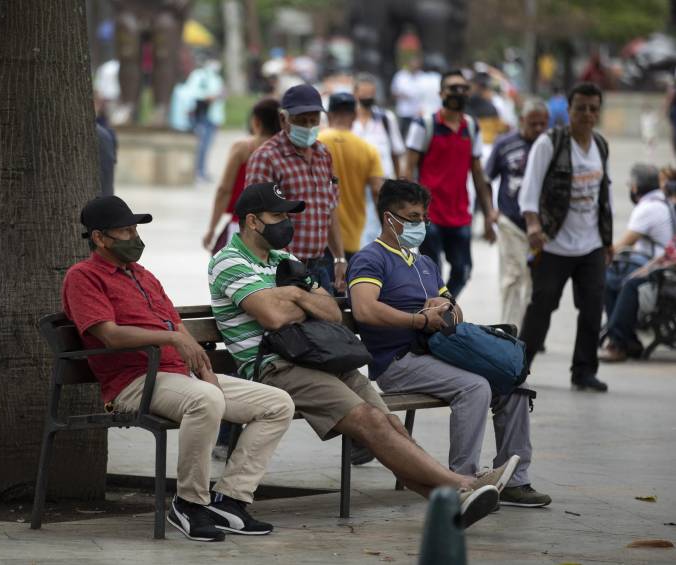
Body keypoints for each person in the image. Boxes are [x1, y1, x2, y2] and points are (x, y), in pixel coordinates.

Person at [208, 181, 521, 529]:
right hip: (275, 367)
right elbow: (273, 317)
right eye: (277, 215)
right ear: (252, 221)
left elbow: (328, 310)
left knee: (387, 423)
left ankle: (447, 500)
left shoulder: (285, 258)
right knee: (371, 423)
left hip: (318, 357)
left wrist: (290, 297)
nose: (286, 223)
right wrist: (297, 298)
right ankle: (461, 484)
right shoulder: (228, 261)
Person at [63, 196, 295, 542]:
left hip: (181, 378)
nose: (135, 237)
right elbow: (109, 335)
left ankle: (229, 500)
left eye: (135, 229)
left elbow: (178, 328)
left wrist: (207, 373)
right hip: (134, 382)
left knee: (277, 404)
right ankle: (189, 503)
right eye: (125, 231)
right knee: (206, 401)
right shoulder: (82, 277)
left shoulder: (144, 275)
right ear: (99, 238)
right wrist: (170, 340)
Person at [347, 179, 550, 507]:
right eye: (412, 218)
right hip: (399, 361)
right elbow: (364, 309)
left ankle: (515, 481)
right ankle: (464, 482)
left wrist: (445, 309)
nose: (420, 224)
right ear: (389, 219)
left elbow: (454, 308)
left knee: (513, 378)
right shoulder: (371, 259)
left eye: (423, 218)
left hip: (439, 351)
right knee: (475, 387)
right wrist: (417, 319)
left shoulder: (424, 263)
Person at [518, 82, 612, 392]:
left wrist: (608, 240)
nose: (587, 114)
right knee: (542, 304)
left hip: (591, 244)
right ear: (568, 111)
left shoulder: (599, 145)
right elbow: (529, 188)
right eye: (581, 108)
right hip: (554, 241)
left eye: (593, 108)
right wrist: (533, 225)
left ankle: (583, 371)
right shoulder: (550, 143)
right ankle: (518, 366)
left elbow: (603, 196)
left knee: (592, 306)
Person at [404, 69, 497, 297]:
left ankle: (444, 308)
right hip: (429, 215)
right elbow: (408, 171)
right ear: (441, 93)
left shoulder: (472, 128)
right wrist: (407, 213)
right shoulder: (424, 125)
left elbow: (477, 173)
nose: (459, 93)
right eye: (453, 88)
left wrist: (487, 214)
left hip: (460, 215)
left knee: (463, 271)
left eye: (464, 88)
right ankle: (437, 316)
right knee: (431, 275)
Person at [245, 83, 345, 294]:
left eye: (313, 120)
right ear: (284, 119)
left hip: (320, 266)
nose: (308, 127)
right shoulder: (267, 157)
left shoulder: (323, 154)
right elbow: (253, 219)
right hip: (283, 270)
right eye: (301, 121)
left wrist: (339, 257)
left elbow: (331, 209)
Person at [486, 99, 550, 327]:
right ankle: (509, 328)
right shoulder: (504, 144)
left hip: (543, 227)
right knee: (513, 276)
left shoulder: (551, 146)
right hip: (511, 222)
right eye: (533, 124)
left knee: (535, 280)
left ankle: (531, 330)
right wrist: (489, 211)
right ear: (522, 121)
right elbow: (486, 178)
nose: (539, 129)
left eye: (543, 124)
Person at [600, 173, 676, 362]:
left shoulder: (651, 208)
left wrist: (651, 268)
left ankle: (618, 341)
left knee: (629, 283)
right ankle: (625, 340)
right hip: (662, 267)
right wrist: (650, 267)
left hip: (668, 275)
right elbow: (669, 252)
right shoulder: (663, 206)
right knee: (616, 278)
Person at [202, 98, 281, 254]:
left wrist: (212, 228)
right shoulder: (286, 152)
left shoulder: (243, 149)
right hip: (275, 229)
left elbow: (224, 190)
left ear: (256, 122)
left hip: (240, 227)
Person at [318, 92, 384, 259]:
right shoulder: (369, 150)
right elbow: (377, 191)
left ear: (328, 114)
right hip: (353, 237)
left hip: (319, 235)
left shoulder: (316, 143)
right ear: (354, 115)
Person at [352, 73, 406, 247]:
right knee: (361, 230)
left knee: (384, 229)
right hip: (357, 186)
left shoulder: (385, 119)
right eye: (364, 93)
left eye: (371, 93)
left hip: (383, 183)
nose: (368, 97)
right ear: (355, 94)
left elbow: (396, 153)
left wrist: (400, 183)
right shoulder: (350, 122)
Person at [186, 57, 225, 182]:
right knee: (200, 145)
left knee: (206, 146)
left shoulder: (217, 78)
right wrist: (207, 97)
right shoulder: (198, 75)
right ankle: (196, 171)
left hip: (212, 117)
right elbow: (192, 92)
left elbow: (220, 98)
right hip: (200, 114)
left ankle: (202, 171)